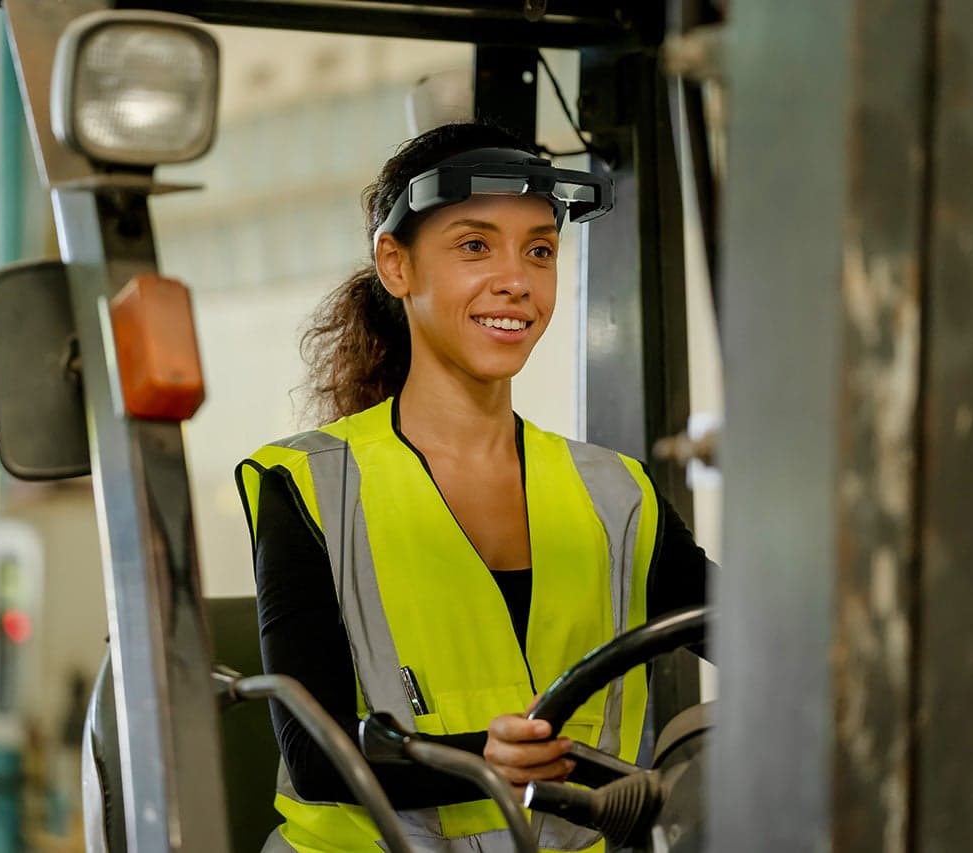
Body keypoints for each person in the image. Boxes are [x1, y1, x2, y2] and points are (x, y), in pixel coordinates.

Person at [235, 122, 711, 853]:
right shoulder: (311, 485)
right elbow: (316, 754)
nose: (516, 280)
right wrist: (484, 759)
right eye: (475, 245)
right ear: (396, 265)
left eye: (539, 251)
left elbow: (762, 640)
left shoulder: (618, 498)